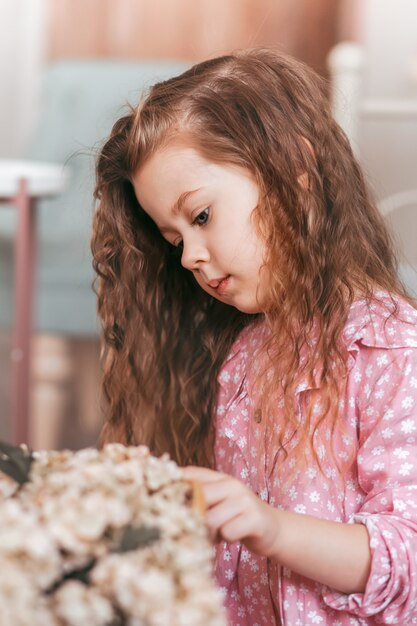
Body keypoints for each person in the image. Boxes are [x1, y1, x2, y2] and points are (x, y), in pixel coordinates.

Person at [92, 48, 417, 625]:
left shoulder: (392, 353)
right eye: (174, 241)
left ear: (295, 170)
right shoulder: (248, 351)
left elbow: (406, 559)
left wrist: (271, 526)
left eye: (200, 217)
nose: (190, 256)